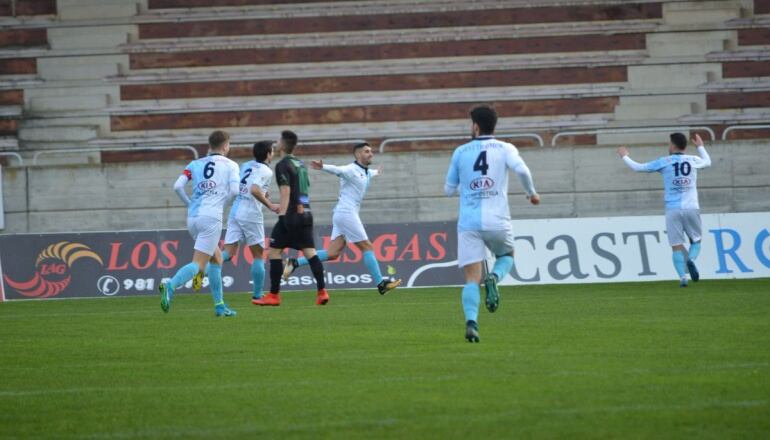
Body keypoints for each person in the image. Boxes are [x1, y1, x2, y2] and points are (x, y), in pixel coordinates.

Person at [444, 105, 539, 343]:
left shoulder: (461, 151)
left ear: (475, 126)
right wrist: (531, 193)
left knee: (471, 278)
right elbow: (523, 170)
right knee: (507, 255)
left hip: (469, 223)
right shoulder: (506, 148)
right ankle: (495, 277)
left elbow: (448, 190)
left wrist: (467, 185)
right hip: (497, 220)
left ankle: (472, 322)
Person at [282, 142, 401, 295]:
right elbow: (338, 170)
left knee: (333, 253)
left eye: (371, 151)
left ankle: (295, 263)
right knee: (367, 247)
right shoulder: (351, 169)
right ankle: (380, 283)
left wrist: (377, 172)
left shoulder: (365, 172)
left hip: (342, 214)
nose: (371, 153)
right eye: (366, 151)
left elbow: (370, 173)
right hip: (346, 213)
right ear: (358, 155)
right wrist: (323, 167)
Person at [160, 130, 240, 317]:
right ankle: (169, 286)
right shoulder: (231, 165)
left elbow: (178, 186)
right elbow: (235, 191)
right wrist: (221, 203)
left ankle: (220, 306)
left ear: (209, 145)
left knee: (217, 257)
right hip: (211, 217)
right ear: (226, 146)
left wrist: (190, 203)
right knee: (198, 262)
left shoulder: (194, 163)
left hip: (193, 217)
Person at [617, 133, 711, 287]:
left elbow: (638, 167)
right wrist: (700, 146)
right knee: (696, 240)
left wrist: (625, 156)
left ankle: (682, 278)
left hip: (673, 210)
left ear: (673, 145)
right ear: (685, 146)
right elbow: (708, 162)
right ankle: (691, 260)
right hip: (691, 207)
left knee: (676, 246)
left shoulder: (664, 162)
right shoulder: (694, 160)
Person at [253, 130, 329, 306]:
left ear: (283, 144)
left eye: (278, 140)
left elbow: (285, 191)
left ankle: (273, 295)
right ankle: (322, 292)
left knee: (274, 252)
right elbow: (304, 188)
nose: (276, 143)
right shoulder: (300, 164)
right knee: (310, 253)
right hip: (307, 213)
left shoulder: (282, 165)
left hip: (291, 215)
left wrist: (282, 215)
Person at [221, 141, 279, 302]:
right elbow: (254, 189)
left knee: (228, 253)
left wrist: (265, 195)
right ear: (268, 154)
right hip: (250, 213)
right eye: (272, 151)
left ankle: (202, 268)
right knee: (258, 255)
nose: (273, 154)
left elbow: (247, 186)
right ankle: (258, 295)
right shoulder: (266, 171)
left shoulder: (246, 165)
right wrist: (271, 206)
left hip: (235, 210)